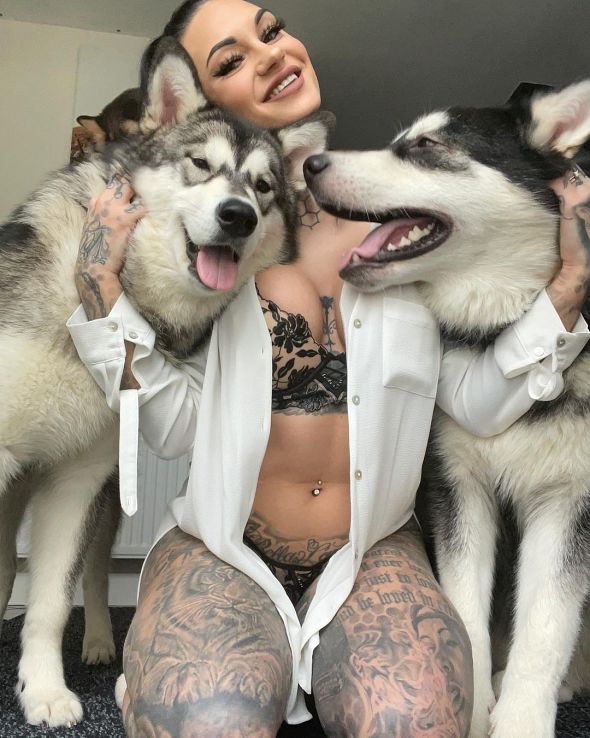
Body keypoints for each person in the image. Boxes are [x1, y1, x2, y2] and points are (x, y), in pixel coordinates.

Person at [66, 1, 590, 735]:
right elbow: (175, 428)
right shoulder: (206, 245)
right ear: (201, 102)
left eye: (271, 31)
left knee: (419, 720)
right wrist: (102, 295)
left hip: (371, 550)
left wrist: (567, 289)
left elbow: (474, 404)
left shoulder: (408, 224)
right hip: (227, 546)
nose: (270, 54)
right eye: (231, 60)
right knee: (209, 720)